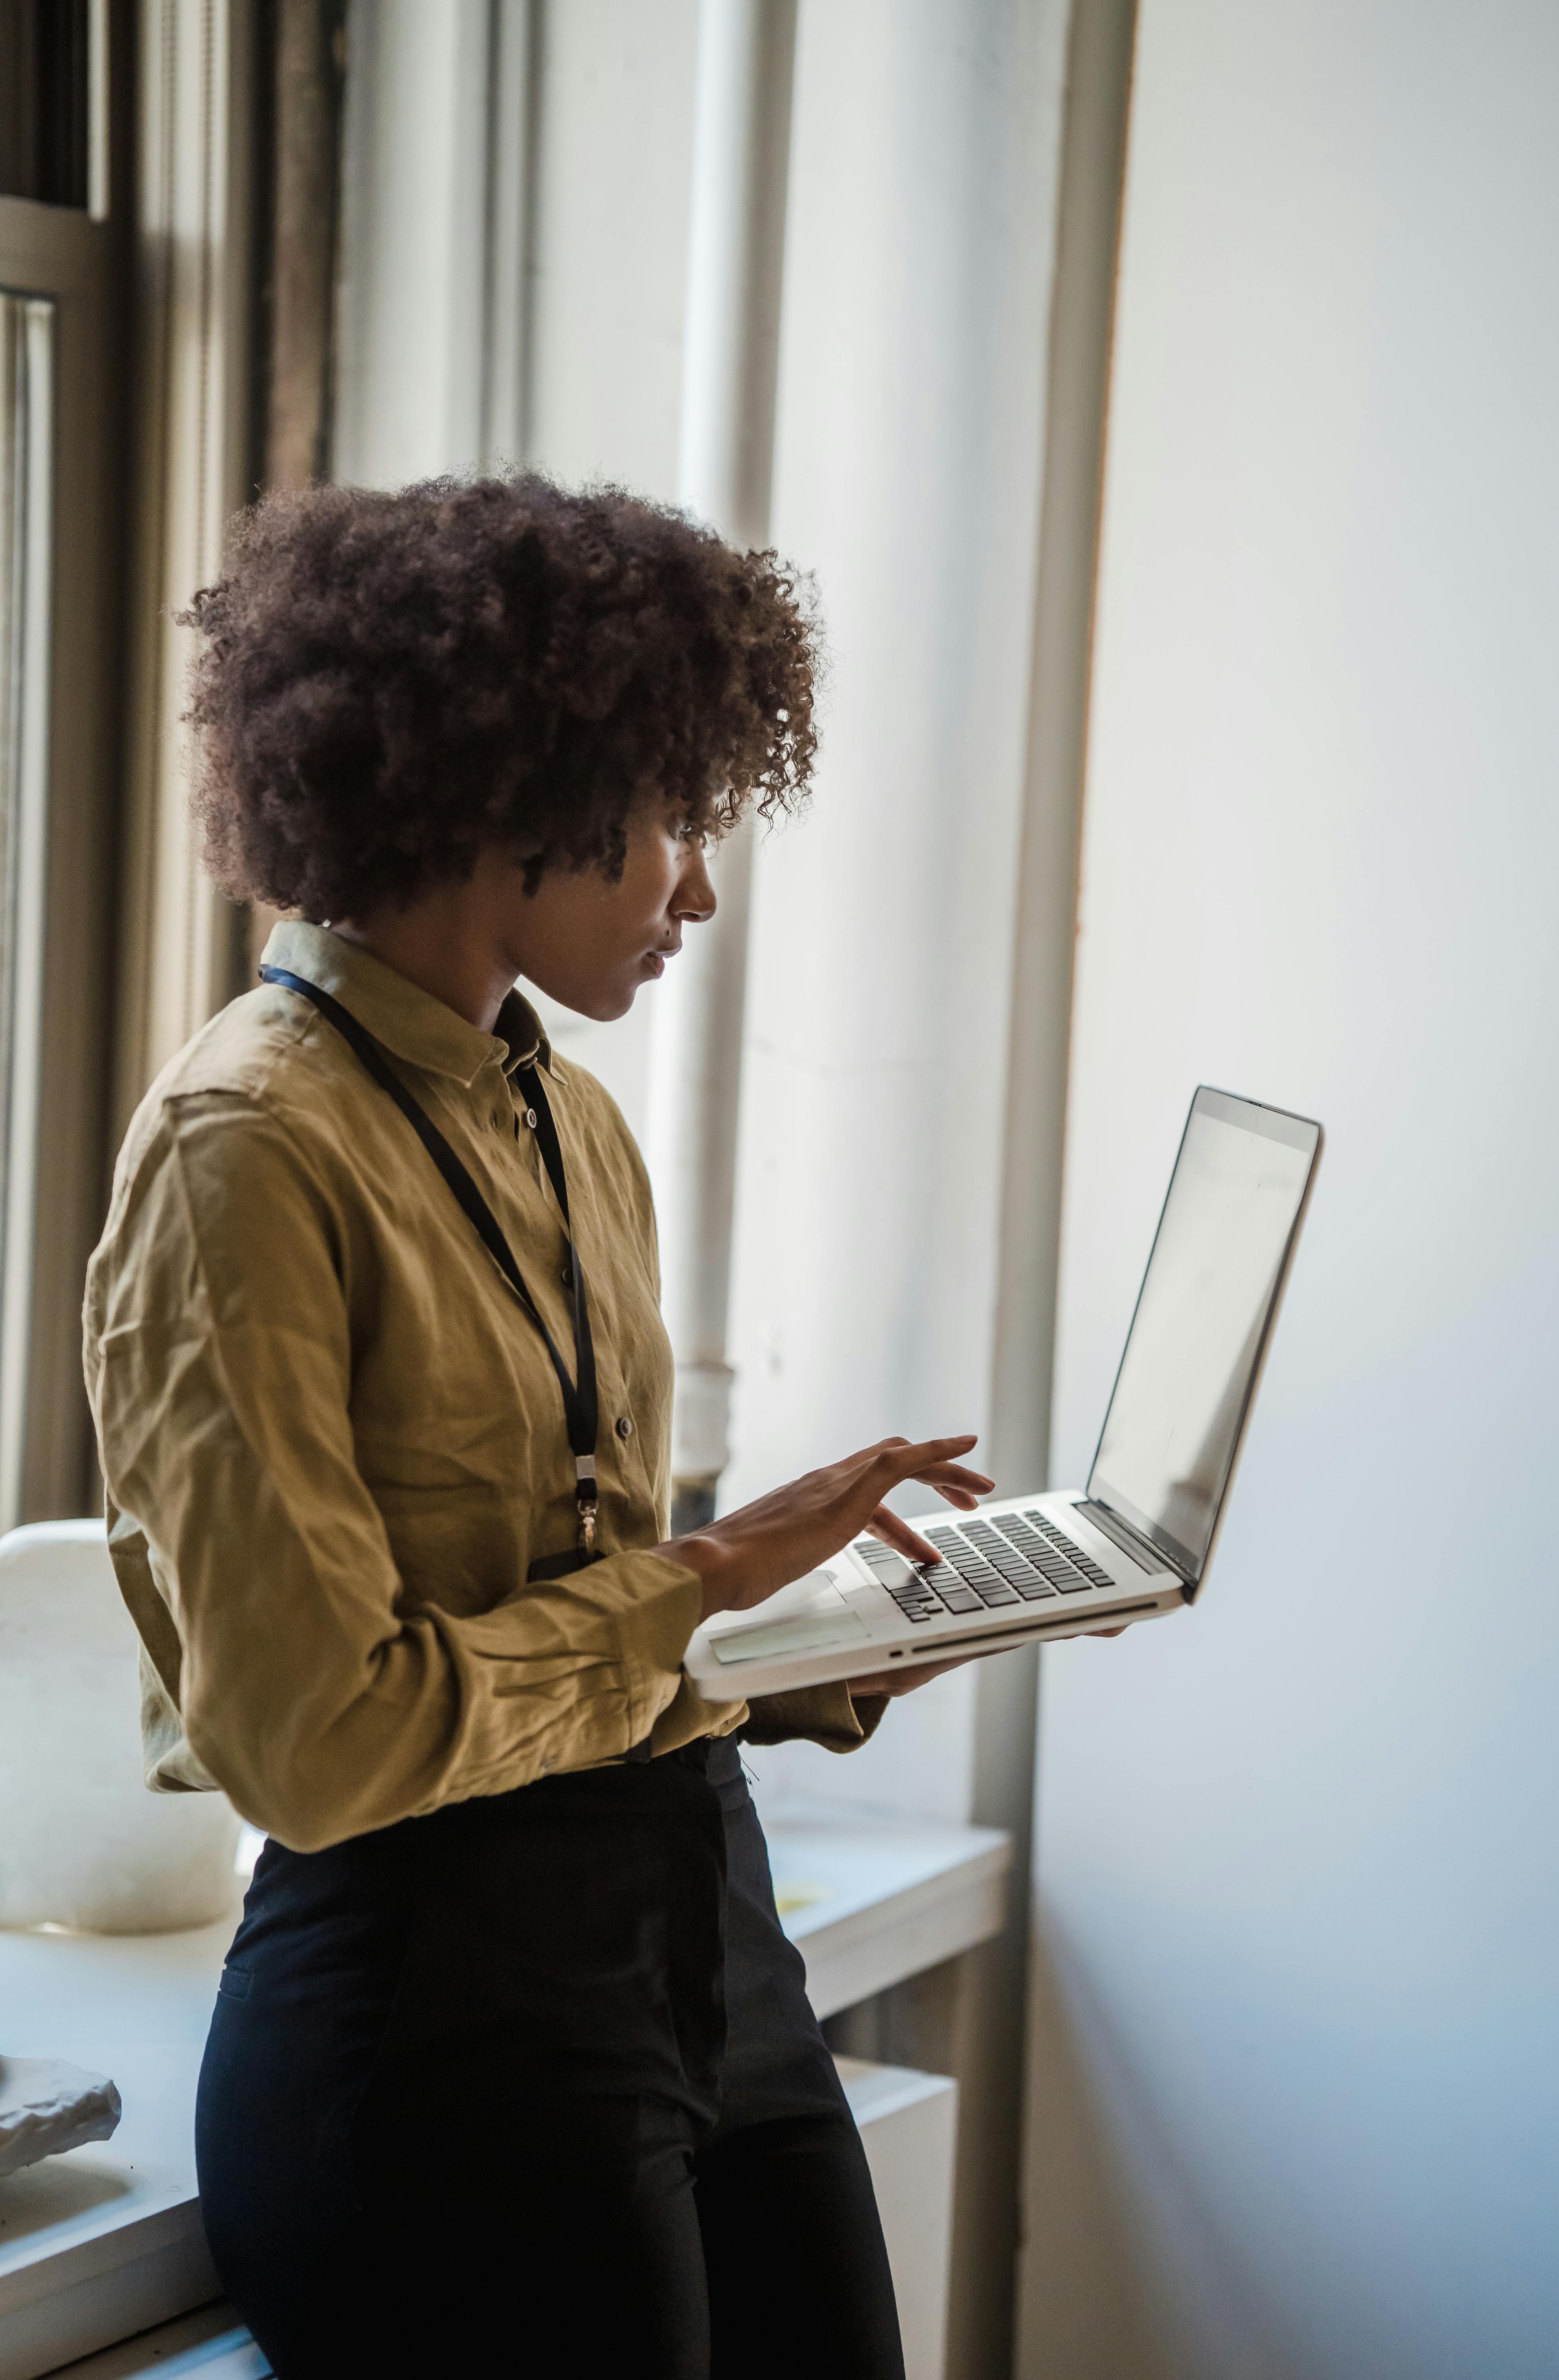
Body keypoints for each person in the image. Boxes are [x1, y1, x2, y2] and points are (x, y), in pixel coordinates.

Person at [83, 472, 993, 2378]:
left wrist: (822, 1638)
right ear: (517, 794)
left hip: (703, 1938)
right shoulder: (246, 1151)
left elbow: (589, 1612)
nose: (698, 890)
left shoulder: (568, 1121)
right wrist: (715, 1574)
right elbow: (328, 1749)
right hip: (444, 2021)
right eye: (675, 819)